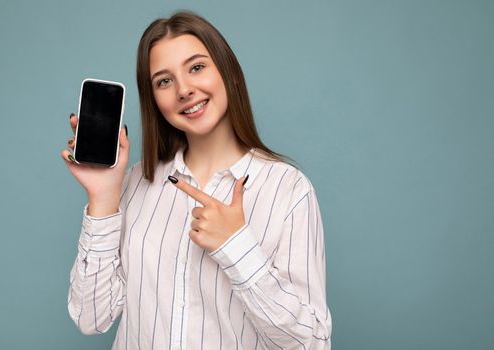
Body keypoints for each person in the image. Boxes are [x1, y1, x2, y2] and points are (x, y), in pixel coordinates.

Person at [62, 11, 332, 350]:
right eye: (164, 81)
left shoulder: (288, 190)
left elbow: (311, 343)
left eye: (196, 67)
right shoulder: (133, 186)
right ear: (155, 102)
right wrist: (102, 201)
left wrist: (236, 246)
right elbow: (91, 318)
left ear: (229, 74)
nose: (184, 90)